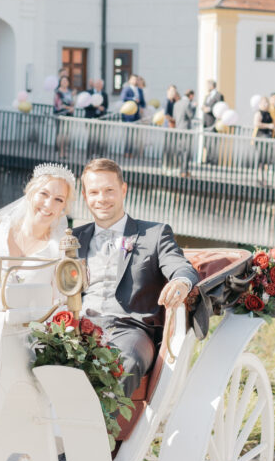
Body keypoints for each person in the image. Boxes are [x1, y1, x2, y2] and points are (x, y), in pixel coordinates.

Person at [73, 158, 198, 401]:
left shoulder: (154, 233)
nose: (102, 198)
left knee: (125, 360)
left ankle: (100, 431)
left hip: (131, 330)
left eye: (109, 190)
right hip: (77, 327)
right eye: (94, 192)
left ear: (123, 190)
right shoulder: (74, 238)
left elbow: (181, 266)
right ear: (85, 196)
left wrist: (181, 282)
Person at [171, 89, 196, 177]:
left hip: (178, 129)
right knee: (186, 151)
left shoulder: (176, 104)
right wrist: (194, 107)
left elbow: (174, 117)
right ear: (191, 96)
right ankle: (184, 171)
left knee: (180, 150)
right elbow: (191, 115)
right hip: (185, 130)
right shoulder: (188, 103)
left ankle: (181, 170)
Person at [253, 96, 275, 186]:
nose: (266, 105)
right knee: (261, 159)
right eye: (264, 103)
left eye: (267, 103)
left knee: (267, 159)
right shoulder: (259, 113)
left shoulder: (268, 113)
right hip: (261, 137)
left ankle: (264, 179)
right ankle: (259, 178)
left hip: (268, 137)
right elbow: (256, 124)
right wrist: (268, 126)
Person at [53, 74, 76, 158]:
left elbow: (72, 103)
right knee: (60, 133)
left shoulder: (70, 92)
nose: (65, 82)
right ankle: (61, 151)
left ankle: (65, 150)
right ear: (60, 82)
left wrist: (72, 106)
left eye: (66, 81)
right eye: (63, 81)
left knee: (67, 134)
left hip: (69, 115)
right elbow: (59, 104)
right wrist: (69, 107)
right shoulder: (58, 92)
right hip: (60, 114)